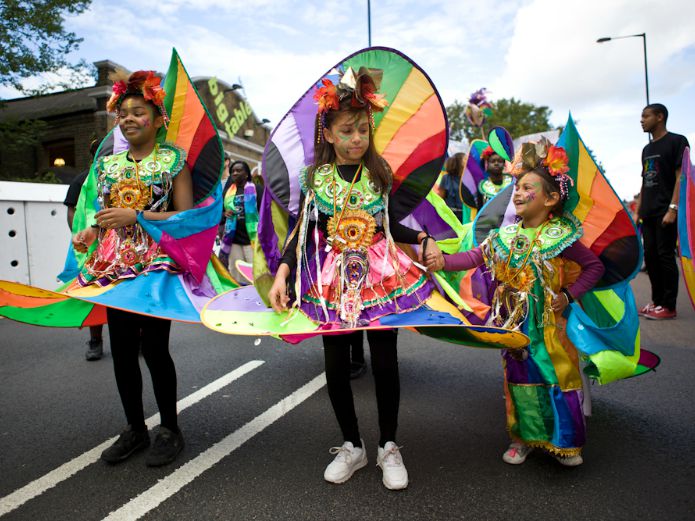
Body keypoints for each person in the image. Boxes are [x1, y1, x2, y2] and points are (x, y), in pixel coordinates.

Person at [267, 68, 440, 490]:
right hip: (333, 282)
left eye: (363, 129)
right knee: (335, 365)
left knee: (384, 362)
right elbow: (302, 232)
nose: (357, 138)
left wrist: (423, 237)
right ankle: (352, 446)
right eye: (347, 130)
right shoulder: (316, 180)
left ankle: (389, 446)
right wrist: (284, 270)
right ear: (327, 133)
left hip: (381, 276)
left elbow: (391, 226)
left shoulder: (380, 174)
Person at [426, 139, 604, 467]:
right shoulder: (505, 236)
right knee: (519, 381)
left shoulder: (560, 235)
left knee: (559, 379)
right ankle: (522, 438)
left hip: (552, 329)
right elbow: (473, 257)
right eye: (517, 187)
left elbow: (595, 267)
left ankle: (566, 442)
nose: (518, 193)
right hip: (516, 327)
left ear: (551, 199)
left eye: (527, 187)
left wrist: (568, 295)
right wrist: (442, 262)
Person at [72, 70, 192, 467]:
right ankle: (135, 428)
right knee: (122, 350)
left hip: (156, 263)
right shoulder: (106, 167)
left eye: (138, 112)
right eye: (123, 113)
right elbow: (105, 216)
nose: (128, 118)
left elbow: (186, 218)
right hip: (113, 265)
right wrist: (91, 232)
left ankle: (170, 429)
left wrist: (138, 215)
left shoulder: (173, 161)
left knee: (155, 348)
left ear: (158, 120)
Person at [635, 103, 689, 319]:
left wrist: (673, 208)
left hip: (665, 210)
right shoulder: (646, 149)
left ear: (659, 117)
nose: (641, 120)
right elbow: (643, 183)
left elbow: (681, 177)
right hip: (648, 211)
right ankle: (657, 302)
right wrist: (638, 210)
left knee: (665, 256)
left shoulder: (677, 141)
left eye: (645, 116)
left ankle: (669, 305)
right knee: (651, 257)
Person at [64, 138, 104, 361]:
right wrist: (79, 237)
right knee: (92, 293)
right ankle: (95, 340)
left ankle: (136, 338)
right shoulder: (82, 180)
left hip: (118, 246)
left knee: (127, 289)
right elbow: (71, 212)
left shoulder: (121, 174)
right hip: (89, 247)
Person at [219, 160, 258, 284]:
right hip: (233, 241)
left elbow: (266, 212)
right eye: (233, 171)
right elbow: (219, 214)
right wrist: (224, 214)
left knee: (255, 275)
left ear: (246, 174)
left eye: (238, 170)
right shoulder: (227, 193)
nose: (235, 173)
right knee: (236, 276)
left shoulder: (257, 189)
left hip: (252, 240)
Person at [435, 153, 465, 220]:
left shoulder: (467, 179)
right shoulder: (446, 178)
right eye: (465, 159)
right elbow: (440, 198)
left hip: (465, 215)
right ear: (458, 163)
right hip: (450, 215)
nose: (467, 161)